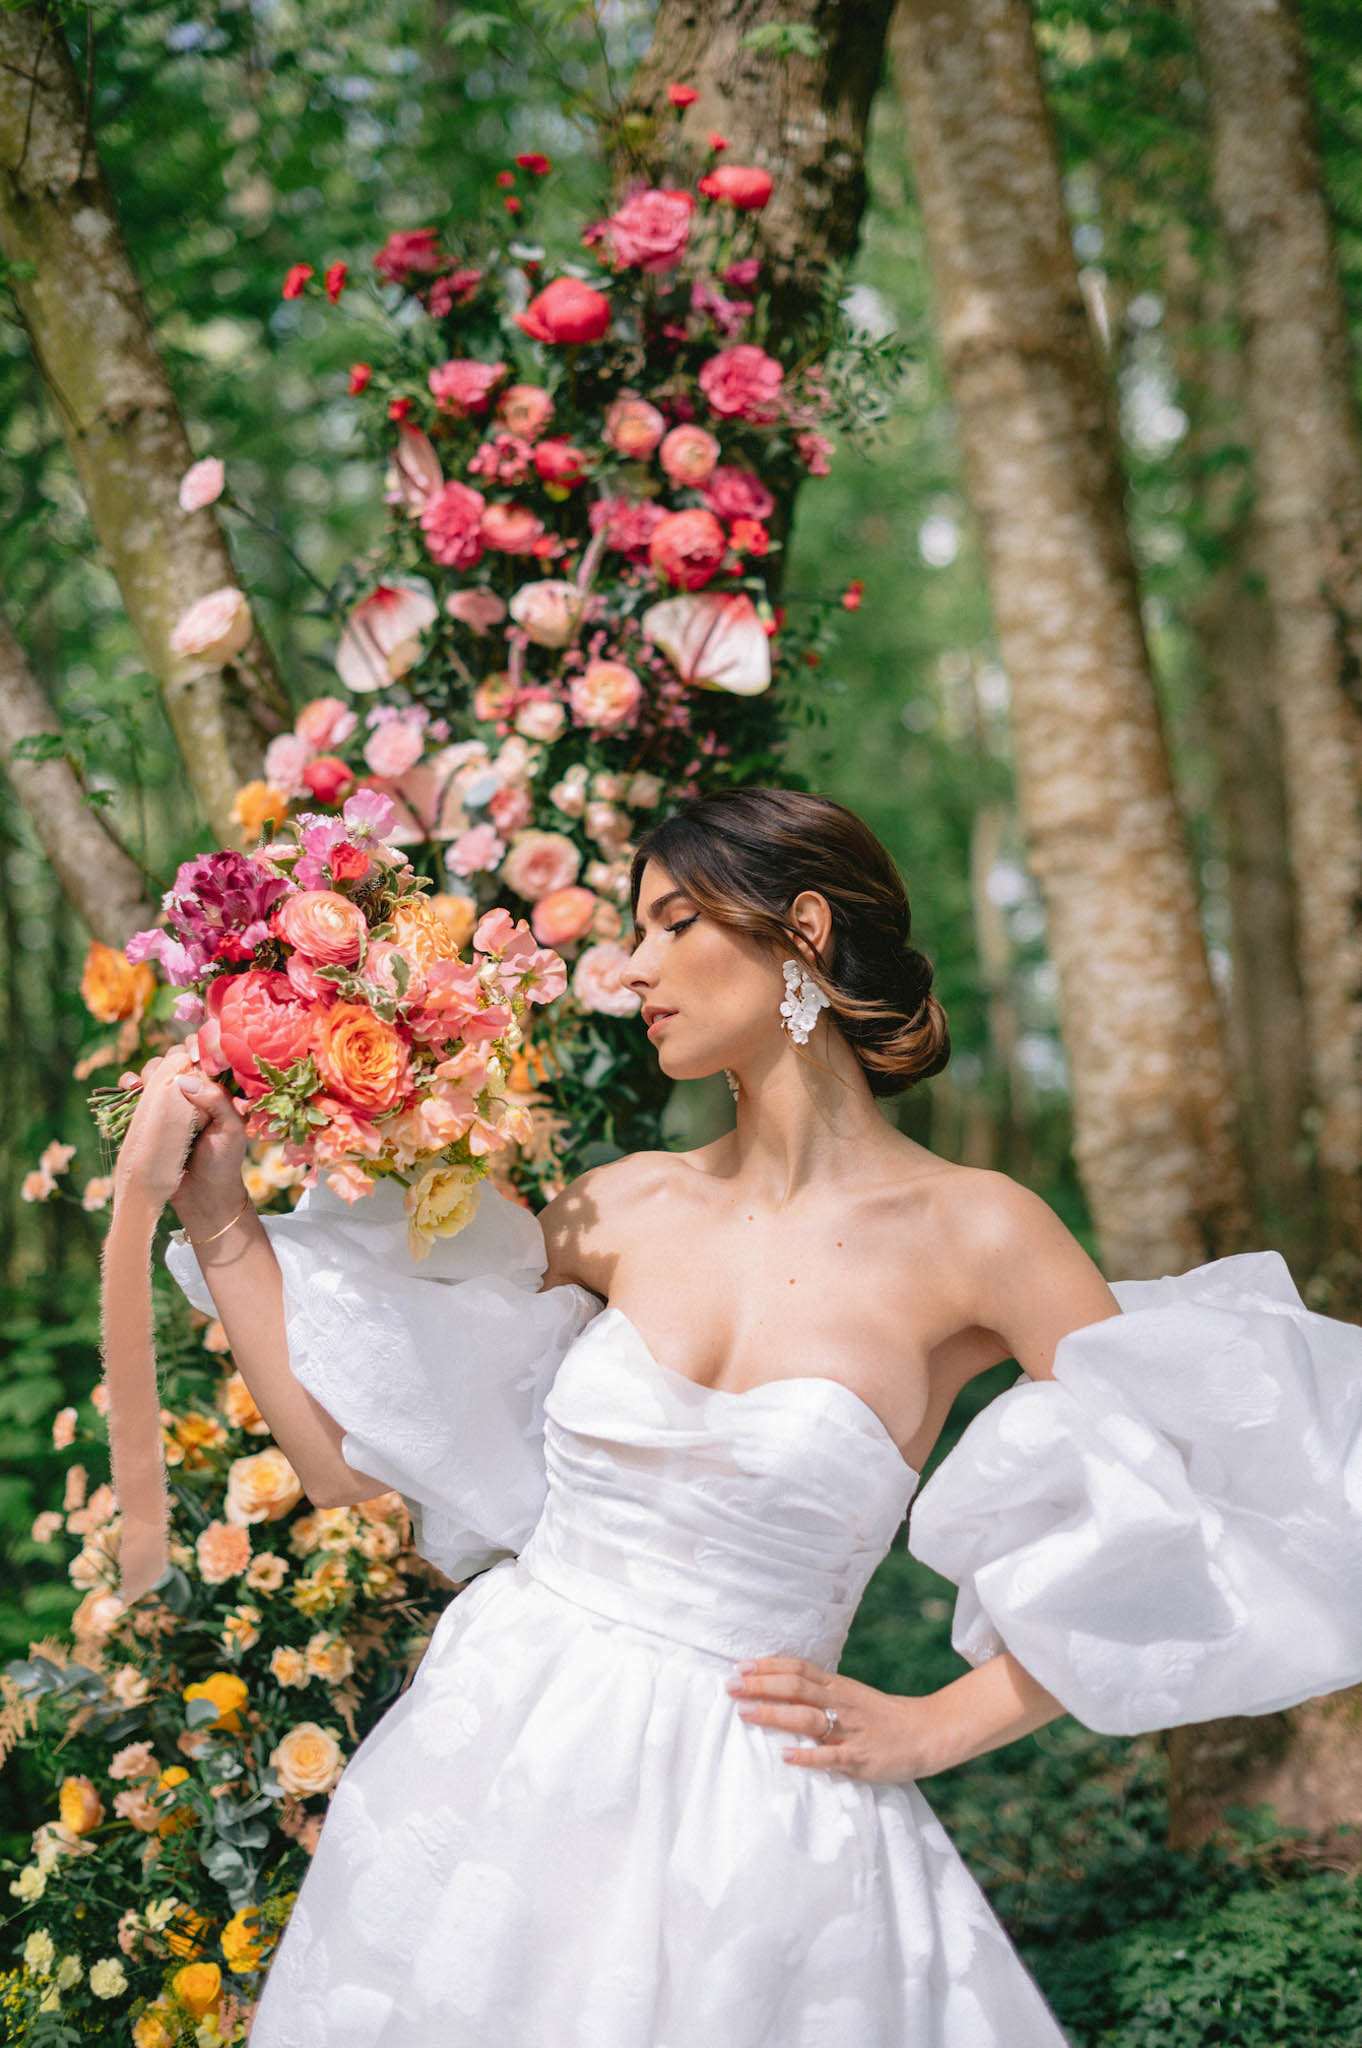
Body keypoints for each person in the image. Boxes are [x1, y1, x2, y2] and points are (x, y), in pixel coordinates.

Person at [120, 785, 1362, 2046]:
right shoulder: (619, 1206)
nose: (633, 965)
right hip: (495, 1760)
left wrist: (946, 1721)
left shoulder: (980, 1233)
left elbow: (1212, 1496)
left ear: (801, 930)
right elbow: (348, 1470)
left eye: (670, 923)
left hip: (759, 1824)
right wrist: (222, 1224)